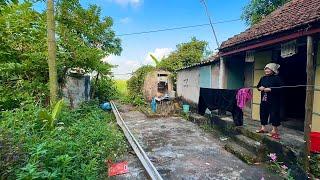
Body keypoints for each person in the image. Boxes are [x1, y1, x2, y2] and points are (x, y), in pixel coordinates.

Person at [255, 63, 282, 140]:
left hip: (274, 100)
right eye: (265, 69)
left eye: (268, 69)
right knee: (263, 112)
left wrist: (271, 89)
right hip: (264, 99)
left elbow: (281, 88)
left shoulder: (277, 78)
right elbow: (258, 86)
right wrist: (260, 88)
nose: (266, 70)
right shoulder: (263, 78)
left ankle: (274, 130)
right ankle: (263, 128)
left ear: (273, 70)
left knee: (274, 114)